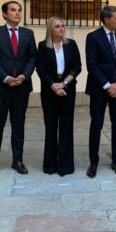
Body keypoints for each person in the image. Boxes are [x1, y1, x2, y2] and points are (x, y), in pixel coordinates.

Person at [0, 1, 36, 178]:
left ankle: (18, 160)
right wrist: (5, 77)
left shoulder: (29, 34)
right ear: (4, 14)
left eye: (19, 10)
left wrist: (24, 76)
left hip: (21, 87)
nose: (17, 13)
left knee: (18, 125)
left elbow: (32, 58)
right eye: (13, 10)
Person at [85, 5, 116, 178]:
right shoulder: (93, 37)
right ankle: (93, 162)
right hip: (99, 89)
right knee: (96, 125)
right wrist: (107, 85)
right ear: (106, 19)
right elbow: (92, 65)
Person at [36, 17, 82, 176]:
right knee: (51, 126)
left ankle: (65, 165)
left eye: (63, 26)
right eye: (57, 26)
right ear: (51, 29)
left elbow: (77, 66)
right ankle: (50, 165)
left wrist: (64, 84)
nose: (61, 29)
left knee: (66, 126)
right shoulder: (42, 46)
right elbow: (40, 69)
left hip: (67, 88)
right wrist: (53, 85)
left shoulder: (71, 44)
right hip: (49, 89)